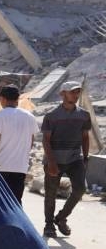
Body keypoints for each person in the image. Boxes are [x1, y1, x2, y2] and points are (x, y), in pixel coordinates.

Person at [41, 81, 92, 238]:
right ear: (62, 94)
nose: (75, 95)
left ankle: (61, 217)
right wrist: (51, 163)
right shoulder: (51, 116)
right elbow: (46, 141)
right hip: (54, 159)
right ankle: (49, 225)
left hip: (74, 159)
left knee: (80, 189)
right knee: (51, 194)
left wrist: (85, 157)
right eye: (72, 92)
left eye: (77, 92)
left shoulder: (84, 115)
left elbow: (85, 137)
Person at [0, 85, 39, 203]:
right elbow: (30, 143)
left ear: (3, 99)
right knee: (15, 202)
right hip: (20, 168)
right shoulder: (30, 117)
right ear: (17, 99)